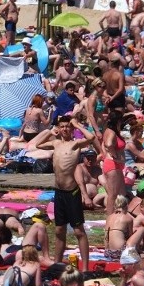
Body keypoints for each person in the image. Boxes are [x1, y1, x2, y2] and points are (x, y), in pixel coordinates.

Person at [36, 116, 94, 271]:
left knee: (78, 231)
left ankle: (86, 269)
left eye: (68, 127)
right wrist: (50, 132)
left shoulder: (75, 144)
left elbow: (91, 137)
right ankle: (58, 264)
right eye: (62, 127)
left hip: (72, 192)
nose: (65, 129)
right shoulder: (56, 143)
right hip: (59, 192)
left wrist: (77, 124)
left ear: (72, 129)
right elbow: (38, 144)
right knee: (59, 229)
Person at [101, 110, 127, 215]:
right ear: (118, 120)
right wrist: (114, 155)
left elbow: (104, 144)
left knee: (122, 193)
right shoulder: (111, 131)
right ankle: (110, 218)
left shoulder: (110, 130)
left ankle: (120, 214)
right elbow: (108, 144)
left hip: (116, 165)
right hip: (113, 164)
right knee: (113, 194)